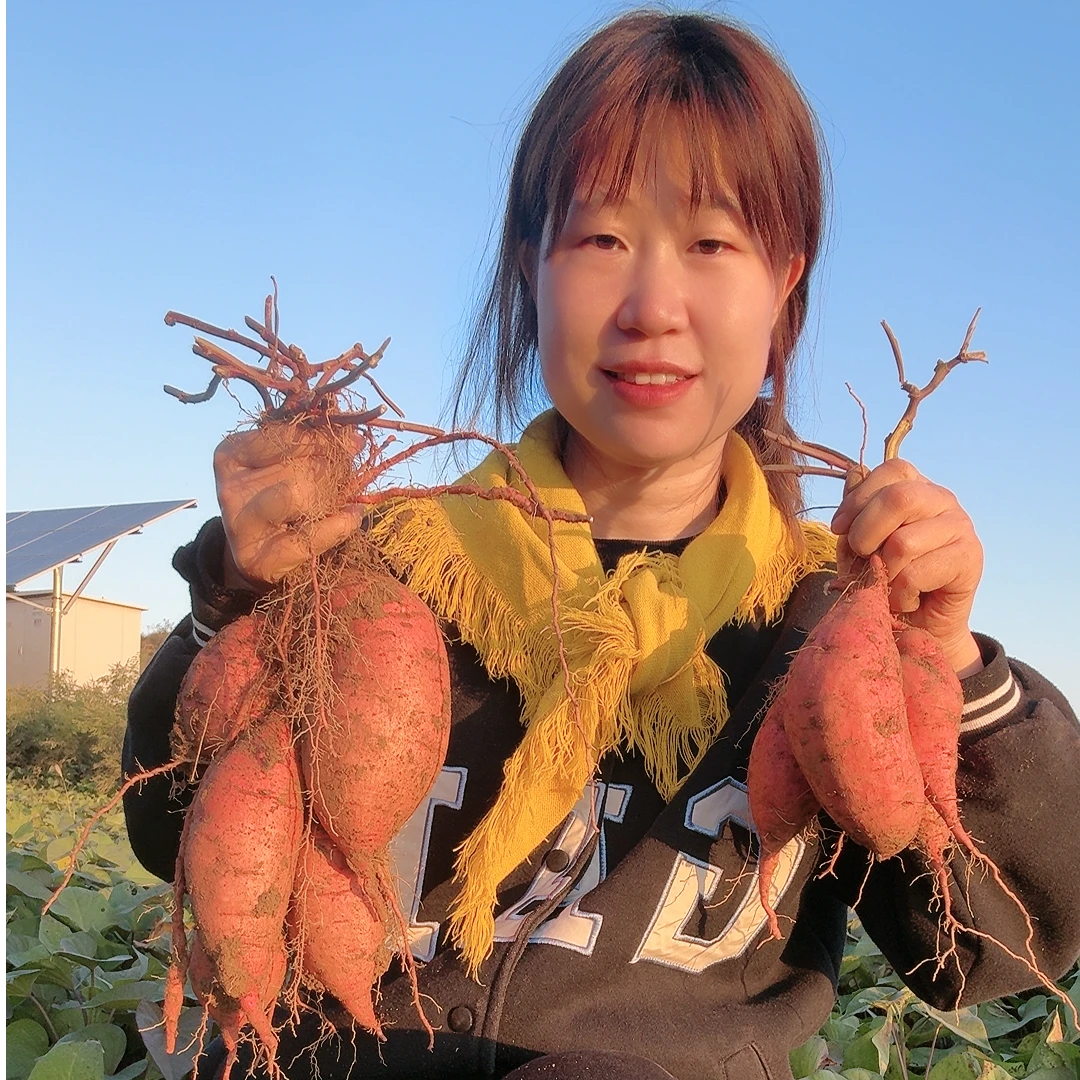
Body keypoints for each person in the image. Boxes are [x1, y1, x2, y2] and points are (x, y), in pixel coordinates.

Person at [123, 10, 1080, 1080]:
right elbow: (177, 837)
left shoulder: (823, 616)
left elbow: (992, 957)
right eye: (602, 239)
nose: (653, 306)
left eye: (714, 244)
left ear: (785, 283)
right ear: (529, 266)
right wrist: (238, 599)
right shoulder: (379, 565)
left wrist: (953, 664)